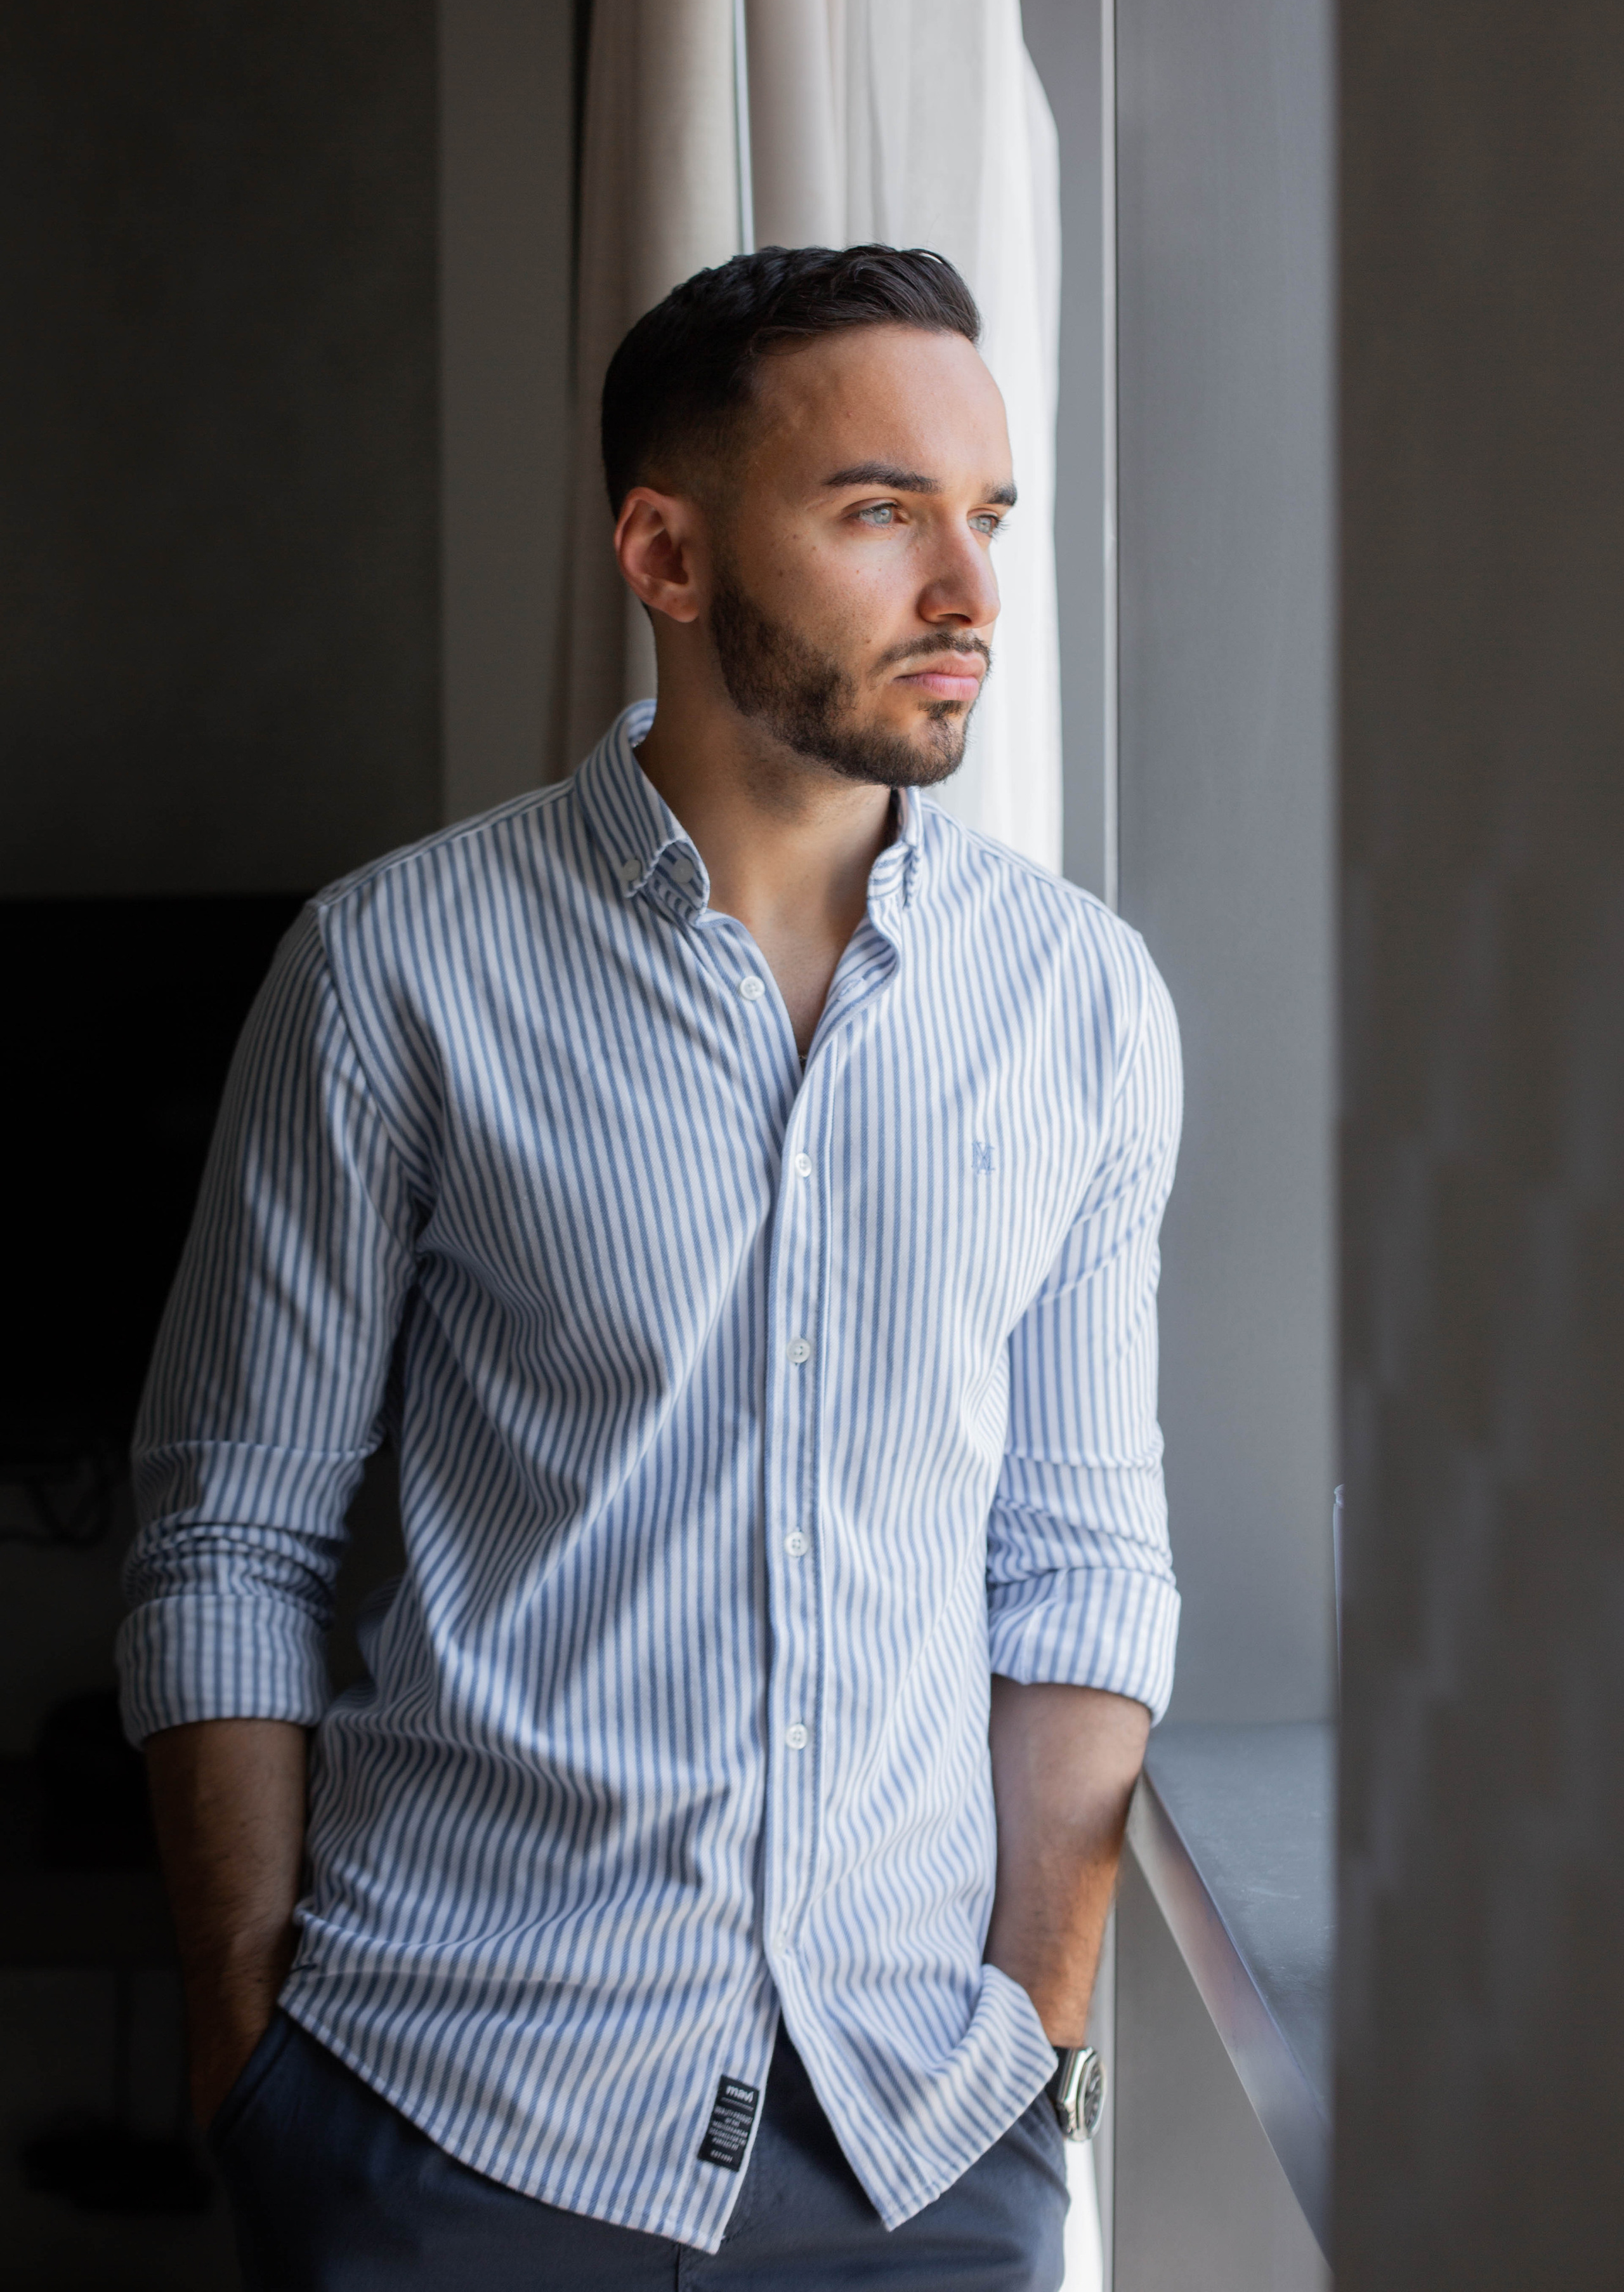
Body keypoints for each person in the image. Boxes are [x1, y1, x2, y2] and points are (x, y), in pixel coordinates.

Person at [119, 244, 1181, 2290]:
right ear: (666, 551)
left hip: (923, 2157)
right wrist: (249, 2054)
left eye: (990, 516)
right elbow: (227, 1545)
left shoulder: (1083, 1007)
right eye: (882, 513)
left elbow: (1078, 1567)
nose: (968, 592)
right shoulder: (392, 974)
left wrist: (1038, 2044)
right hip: (447, 2123)